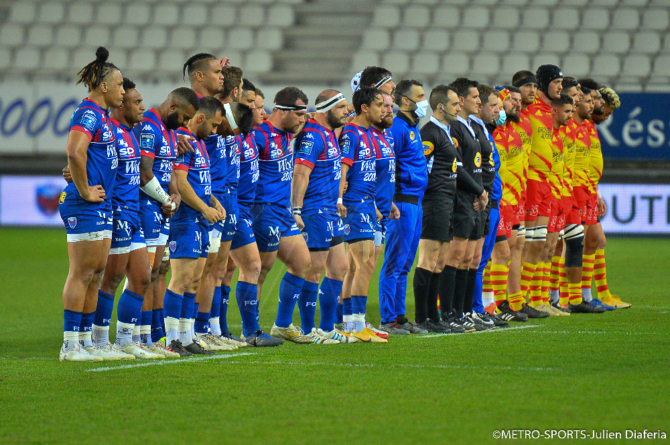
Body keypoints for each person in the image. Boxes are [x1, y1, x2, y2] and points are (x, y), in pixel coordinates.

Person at [89, 78, 167, 359]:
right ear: (121, 105)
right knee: (110, 279)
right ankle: (97, 341)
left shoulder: (132, 133)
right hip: (116, 214)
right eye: (136, 102)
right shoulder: (109, 130)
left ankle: (124, 340)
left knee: (142, 277)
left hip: (133, 215)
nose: (142, 108)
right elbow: (87, 158)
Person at [59, 47, 124, 362]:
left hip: (101, 204)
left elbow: (85, 158)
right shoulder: (88, 113)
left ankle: (86, 342)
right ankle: (70, 346)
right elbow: (74, 151)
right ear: (105, 86)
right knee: (82, 272)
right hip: (85, 204)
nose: (123, 91)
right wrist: (84, 190)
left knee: (97, 273)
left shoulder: (104, 118)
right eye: (120, 85)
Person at [134, 87, 200, 352]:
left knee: (156, 271)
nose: (185, 124)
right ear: (173, 107)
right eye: (184, 118)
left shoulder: (171, 131)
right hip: (146, 206)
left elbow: (170, 170)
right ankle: (137, 336)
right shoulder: (150, 126)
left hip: (161, 207)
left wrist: (174, 194)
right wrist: (165, 199)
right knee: (142, 274)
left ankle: (151, 335)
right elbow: (144, 170)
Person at [164, 97, 226, 356]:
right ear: (200, 118)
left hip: (199, 219)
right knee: (180, 280)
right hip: (185, 219)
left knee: (194, 281)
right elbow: (180, 182)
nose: (214, 132)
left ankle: (188, 336)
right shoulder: (184, 141)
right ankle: (172, 339)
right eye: (213, 125)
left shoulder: (199, 143)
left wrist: (213, 201)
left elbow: (198, 181)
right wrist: (203, 207)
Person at [251, 87, 313, 345]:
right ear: (282, 111)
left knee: (301, 262)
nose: (302, 119)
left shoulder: (285, 134)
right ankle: (251, 328)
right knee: (260, 271)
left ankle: (283, 325)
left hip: (283, 212)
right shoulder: (260, 135)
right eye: (299, 114)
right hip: (264, 209)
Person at [291, 89, 350, 344]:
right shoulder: (313, 136)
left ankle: (326, 328)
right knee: (314, 272)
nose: (347, 111)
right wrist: (296, 209)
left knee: (339, 268)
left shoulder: (328, 134)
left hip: (330, 211)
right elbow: (300, 174)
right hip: (315, 211)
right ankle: (307, 331)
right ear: (326, 110)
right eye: (341, 108)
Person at [414, 84, 470, 334]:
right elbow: (422, 168)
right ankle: (421, 317)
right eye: (455, 104)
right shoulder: (430, 133)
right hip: (434, 201)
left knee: (439, 262)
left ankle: (434, 317)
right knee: (428, 259)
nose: (459, 108)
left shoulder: (446, 131)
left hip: (448, 200)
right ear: (440, 107)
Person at [378, 80, 429, 335]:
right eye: (420, 96)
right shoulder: (397, 128)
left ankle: (399, 317)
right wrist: (388, 200)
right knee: (394, 263)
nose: (424, 101)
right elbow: (387, 166)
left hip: (415, 203)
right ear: (406, 101)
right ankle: (388, 319)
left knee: (406, 263)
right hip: (401, 202)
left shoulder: (412, 127)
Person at [439, 78, 488, 333]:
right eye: (474, 97)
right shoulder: (455, 128)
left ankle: (465, 311)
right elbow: (456, 166)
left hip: (475, 199)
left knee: (471, 258)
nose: (478, 101)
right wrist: (478, 190)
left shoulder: (471, 126)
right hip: (461, 198)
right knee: (456, 257)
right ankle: (449, 312)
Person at [338, 87, 387, 343]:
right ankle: (356, 324)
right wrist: (339, 198)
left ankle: (351, 322)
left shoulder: (367, 133)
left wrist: (376, 206)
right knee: (363, 264)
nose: (383, 108)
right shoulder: (351, 133)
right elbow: (344, 168)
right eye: (378, 104)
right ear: (365, 107)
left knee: (358, 265)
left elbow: (363, 172)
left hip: (367, 205)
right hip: (354, 205)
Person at [490, 87, 529, 322]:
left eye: (518, 100)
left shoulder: (512, 131)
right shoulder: (492, 133)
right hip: (500, 200)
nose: (517, 104)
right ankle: (494, 304)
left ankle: (502, 303)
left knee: (507, 251)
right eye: (510, 100)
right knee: (497, 253)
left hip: (514, 201)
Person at [466, 84, 503, 330]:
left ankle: (477, 308)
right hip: (482, 201)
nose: (497, 111)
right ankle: (474, 309)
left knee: (482, 259)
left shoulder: (483, 130)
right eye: (494, 106)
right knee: (475, 261)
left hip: (493, 200)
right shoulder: (473, 130)